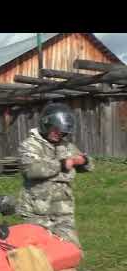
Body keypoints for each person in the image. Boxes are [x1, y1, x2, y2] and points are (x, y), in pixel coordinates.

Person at [17, 102, 94, 248]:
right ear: (46, 124)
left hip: (63, 208)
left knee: (70, 248)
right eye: (55, 129)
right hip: (37, 209)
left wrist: (84, 160)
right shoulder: (30, 145)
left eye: (62, 131)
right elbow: (31, 169)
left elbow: (90, 165)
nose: (59, 134)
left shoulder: (66, 145)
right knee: (41, 249)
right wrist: (62, 164)